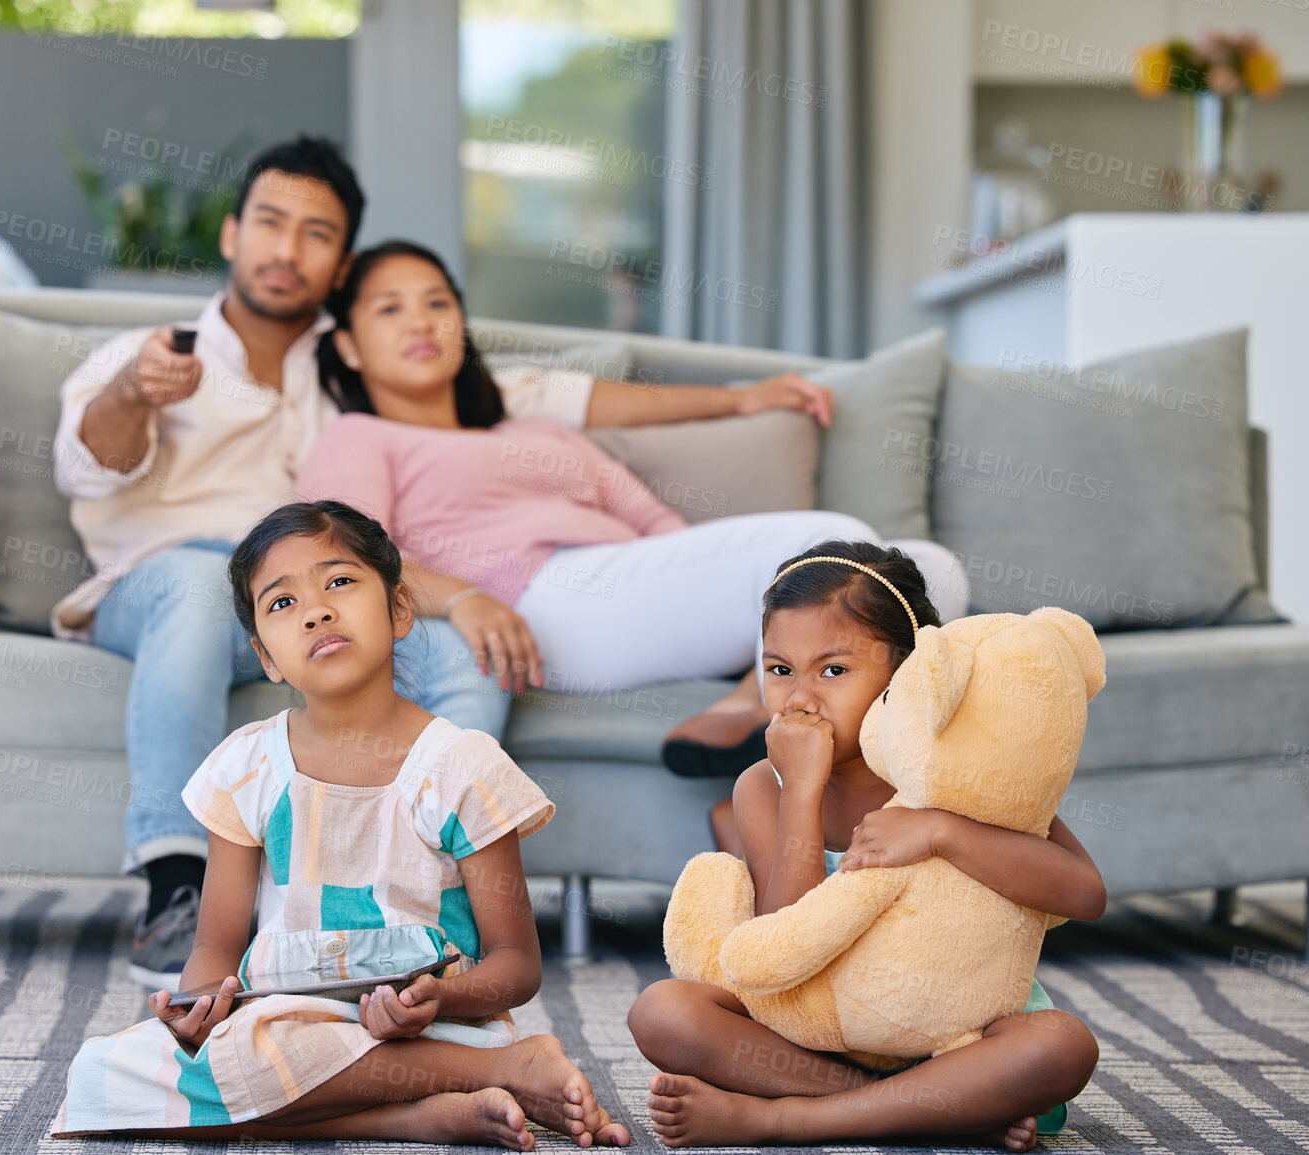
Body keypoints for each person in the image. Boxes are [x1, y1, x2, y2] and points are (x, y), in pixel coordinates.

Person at [51, 137, 845, 986]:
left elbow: (547, 396)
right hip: (159, 578)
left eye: (314, 234)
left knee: (459, 651)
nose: (286, 251)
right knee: (201, 588)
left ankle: (425, 884)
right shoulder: (154, 355)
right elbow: (87, 459)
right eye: (270, 225)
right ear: (233, 234)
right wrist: (135, 391)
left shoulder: (349, 364)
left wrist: (739, 398)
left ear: (339, 261)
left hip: (317, 593)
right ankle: (176, 887)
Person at [51, 500, 631, 1148]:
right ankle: (427, 1113)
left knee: (244, 1065)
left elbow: (516, 964)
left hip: (433, 1028)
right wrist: (196, 1009)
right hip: (284, 1018)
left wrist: (439, 999)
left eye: (339, 581)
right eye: (281, 603)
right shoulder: (245, 768)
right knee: (105, 1075)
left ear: (400, 608)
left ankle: (488, 1064)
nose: (315, 610)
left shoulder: (462, 766)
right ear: (266, 657)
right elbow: (215, 949)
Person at [295, 240, 969, 702]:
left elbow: (654, 526)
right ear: (348, 346)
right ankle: (753, 704)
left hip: (633, 587)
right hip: (541, 605)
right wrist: (465, 597)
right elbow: (344, 561)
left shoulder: (536, 429)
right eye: (390, 307)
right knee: (841, 545)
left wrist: (696, 585)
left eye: (437, 302)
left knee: (931, 571)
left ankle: (751, 704)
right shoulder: (357, 436)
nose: (421, 320)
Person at [626, 541, 1104, 1152]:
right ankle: (932, 1110)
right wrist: (801, 790)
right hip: (810, 1041)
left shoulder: (955, 772)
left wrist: (943, 830)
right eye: (779, 670)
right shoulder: (762, 788)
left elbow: (1084, 894)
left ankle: (786, 1119)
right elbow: (782, 949)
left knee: (1062, 1044)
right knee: (663, 1012)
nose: (800, 698)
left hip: (955, 1040)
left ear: (909, 674)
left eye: (834, 670)